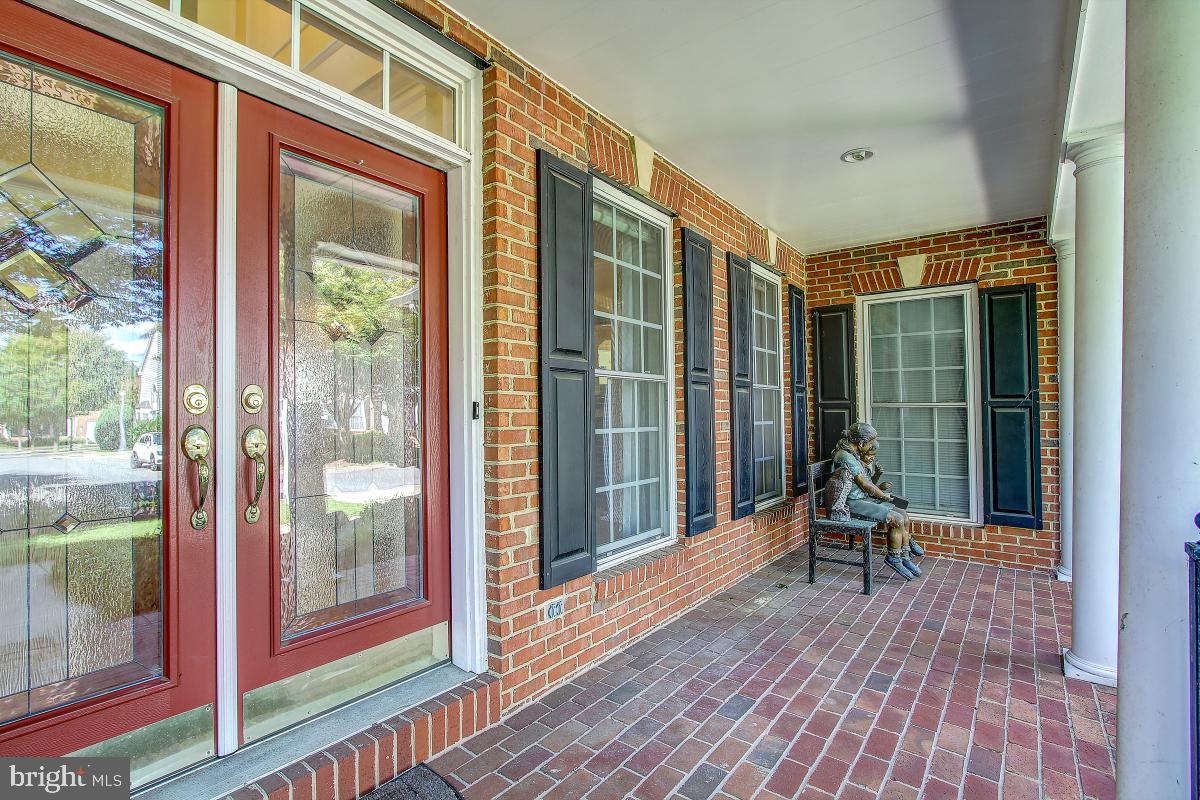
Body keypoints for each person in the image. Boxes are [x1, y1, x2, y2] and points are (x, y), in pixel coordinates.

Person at [829, 422, 924, 580]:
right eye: (870, 443)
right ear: (861, 443)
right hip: (851, 503)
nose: (873, 447)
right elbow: (866, 485)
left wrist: (879, 488)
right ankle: (894, 557)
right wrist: (884, 496)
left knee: (903, 514)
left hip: (863, 498)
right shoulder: (845, 456)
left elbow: (868, 483)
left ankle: (905, 556)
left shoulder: (855, 454)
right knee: (897, 519)